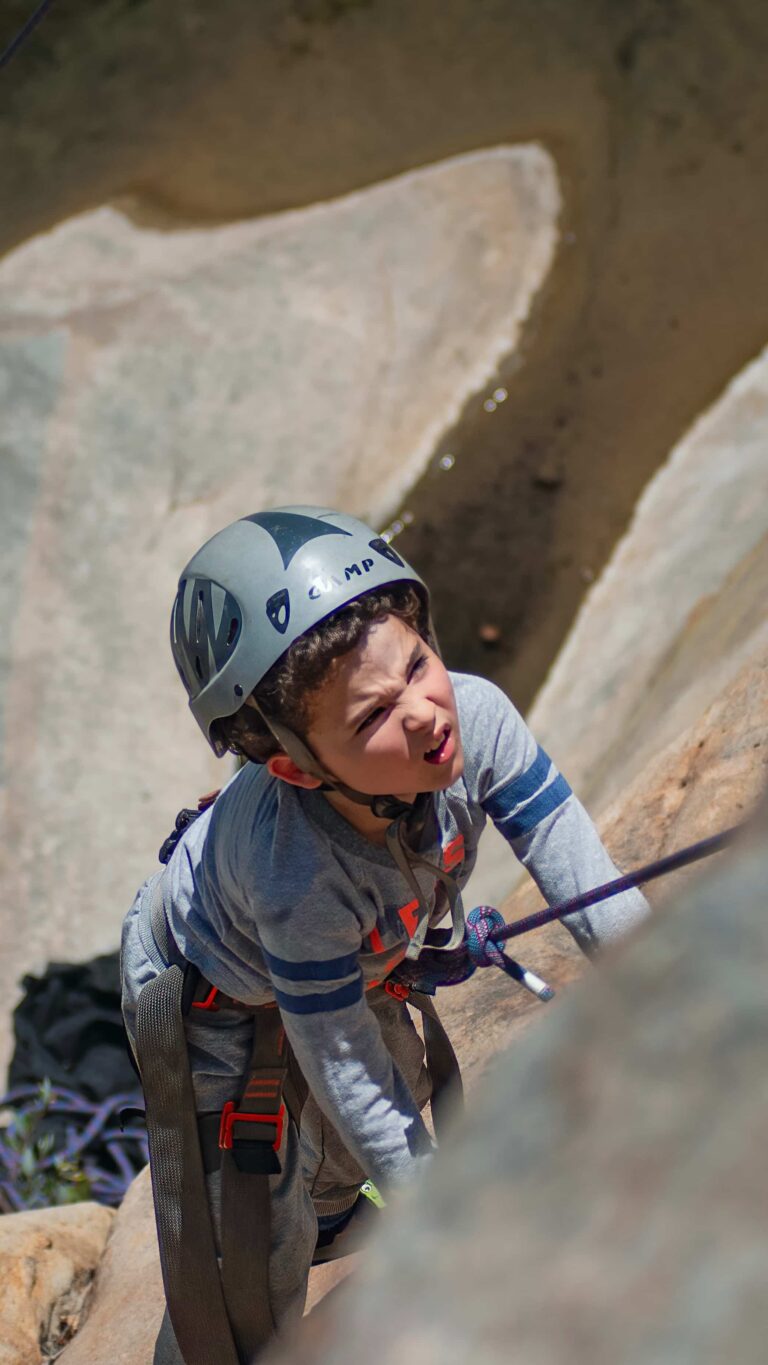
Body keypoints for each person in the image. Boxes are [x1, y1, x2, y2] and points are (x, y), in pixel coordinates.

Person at [120, 506, 649, 1364]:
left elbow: (581, 871)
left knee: (338, 1173)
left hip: (346, 962)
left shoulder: (472, 717)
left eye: (419, 662)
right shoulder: (297, 873)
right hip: (206, 996)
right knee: (252, 1249)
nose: (424, 711)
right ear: (292, 765)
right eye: (372, 716)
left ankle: (325, 1212)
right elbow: (342, 1061)